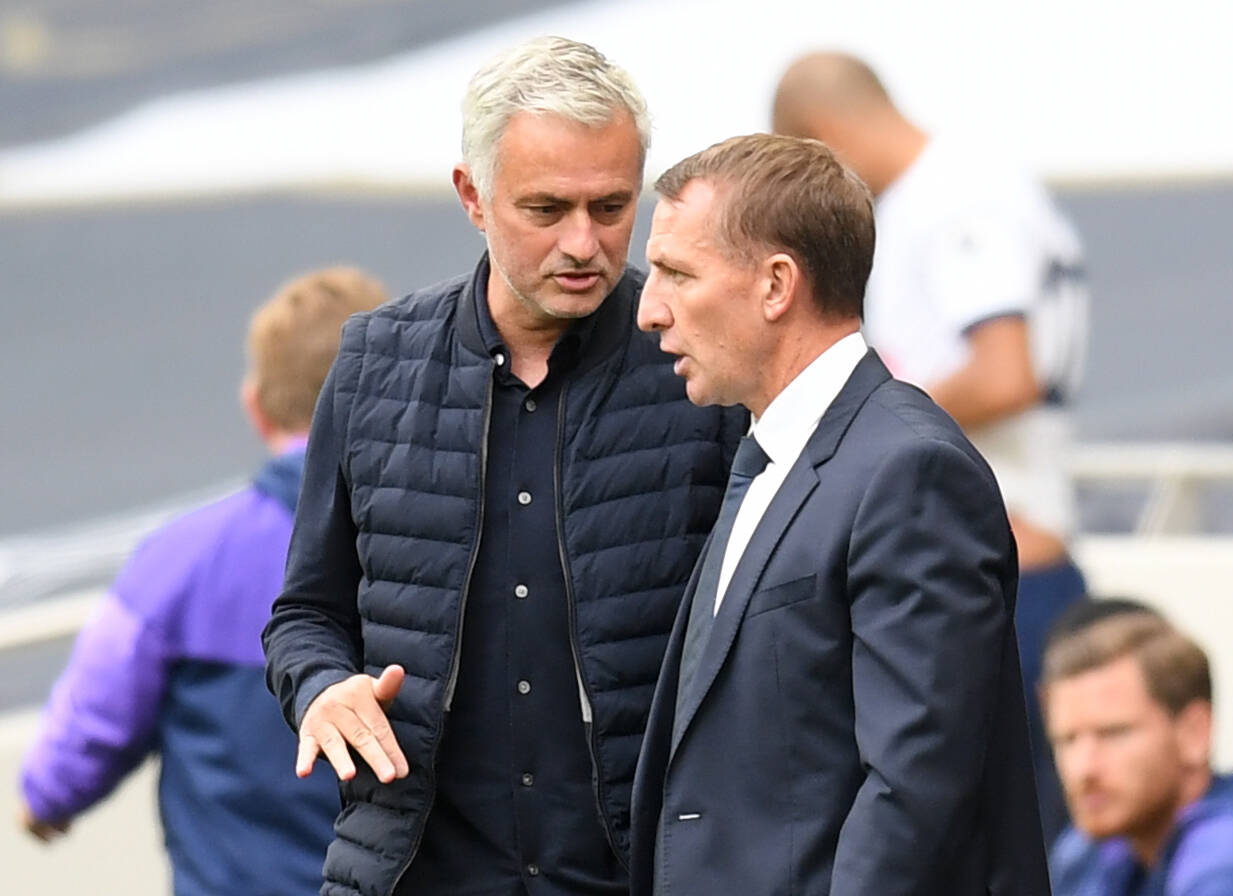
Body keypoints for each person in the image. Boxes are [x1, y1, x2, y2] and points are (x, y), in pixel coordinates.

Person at [261, 36, 746, 896]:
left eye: (611, 206)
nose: (584, 243)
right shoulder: (373, 363)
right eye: (547, 208)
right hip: (412, 875)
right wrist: (323, 690)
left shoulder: (703, 370)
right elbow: (305, 612)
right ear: (472, 197)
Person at [629, 133, 1048, 895]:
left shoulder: (908, 470)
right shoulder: (777, 454)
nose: (648, 310)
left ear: (776, 285)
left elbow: (914, 796)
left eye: (677, 273)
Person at [773, 51, 1091, 841]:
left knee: (1006, 849)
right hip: (996, 563)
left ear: (824, 135)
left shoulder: (953, 197)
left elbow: (1004, 372)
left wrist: (859, 426)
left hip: (1003, 568)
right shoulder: (958, 188)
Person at [18, 266, 388, 895]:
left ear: (256, 405)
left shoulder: (180, 561)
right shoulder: (439, 543)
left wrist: (47, 800)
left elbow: (92, 721)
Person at [1043, 608, 1233, 895]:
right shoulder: (1084, 851)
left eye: (1113, 733)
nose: (1083, 768)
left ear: (1194, 733)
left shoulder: (1227, 856)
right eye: (1067, 740)